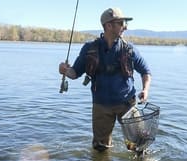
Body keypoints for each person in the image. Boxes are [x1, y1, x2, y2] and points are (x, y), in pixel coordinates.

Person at [59, 7, 151, 152]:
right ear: (109, 26)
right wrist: (64, 70)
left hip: (127, 104)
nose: (125, 27)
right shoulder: (90, 48)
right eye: (121, 23)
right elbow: (75, 73)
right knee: (100, 149)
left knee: (139, 146)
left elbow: (146, 72)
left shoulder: (129, 49)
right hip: (101, 106)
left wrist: (145, 89)